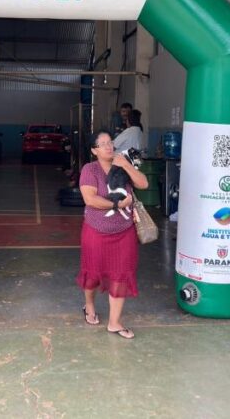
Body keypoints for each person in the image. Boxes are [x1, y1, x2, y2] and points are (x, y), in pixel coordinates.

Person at [77, 130, 149, 339]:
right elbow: (90, 199)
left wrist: (126, 165)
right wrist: (117, 204)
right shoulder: (90, 169)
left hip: (124, 232)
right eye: (103, 144)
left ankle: (114, 323)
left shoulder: (122, 164)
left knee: (121, 274)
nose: (109, 146)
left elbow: (143, 184)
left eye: (110, 142)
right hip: (96, 231)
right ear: (94, 150)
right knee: (92, 274)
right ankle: (89, 305)